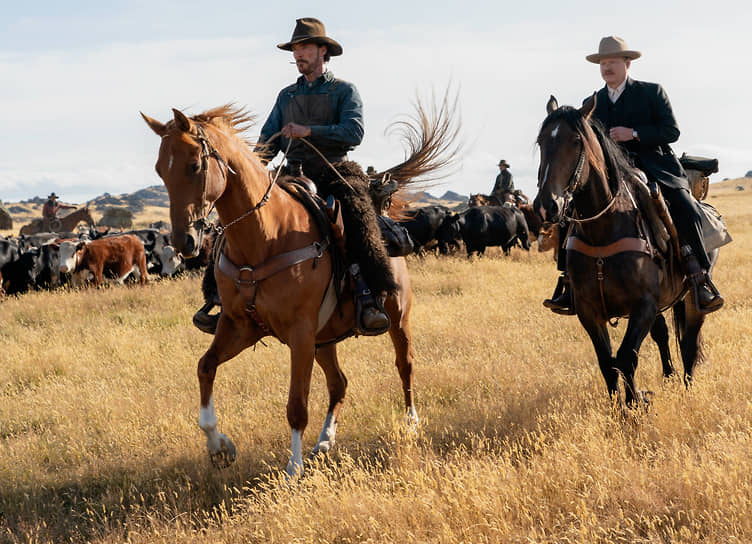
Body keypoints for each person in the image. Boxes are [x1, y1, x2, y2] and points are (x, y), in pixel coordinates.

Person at [192, 17, 394, 335]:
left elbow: (354, 132)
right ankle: (220, 300)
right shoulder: (286, 96)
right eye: (295, 49)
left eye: (304, 48)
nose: (298, 54)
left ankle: (369, 297)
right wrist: (254, 170)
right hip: (291, 173)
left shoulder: (344, 91)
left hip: (334, 169)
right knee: (233, 220)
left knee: (356, 215)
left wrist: (307, 130)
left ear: (322, 51)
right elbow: (266, 140)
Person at [543, 36, 723, 315]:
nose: (607, 67)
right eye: (602, 63)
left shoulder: (652, 92)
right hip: (611, 174)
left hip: (656, 167)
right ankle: (567, 283)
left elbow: (671, 132)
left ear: (627, 63)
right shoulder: (593, 102)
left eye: (612, 61)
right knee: (571, 213)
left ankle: (699, 276)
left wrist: (635, 134)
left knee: (685, 207)